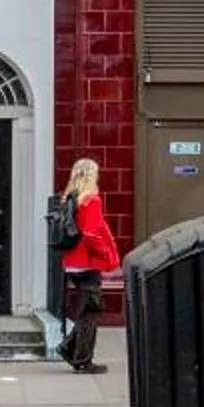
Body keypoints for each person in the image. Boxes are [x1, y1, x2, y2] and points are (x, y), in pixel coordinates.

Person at [54, 157, 121, 373]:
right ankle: (82, 358)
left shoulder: (69, 199)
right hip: (88, 262)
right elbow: (92, 233)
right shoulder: (91, 200)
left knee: (90, 308)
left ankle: (70, 349)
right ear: (92, 175)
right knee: (92, 310)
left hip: (73, 262)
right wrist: (105, 254)